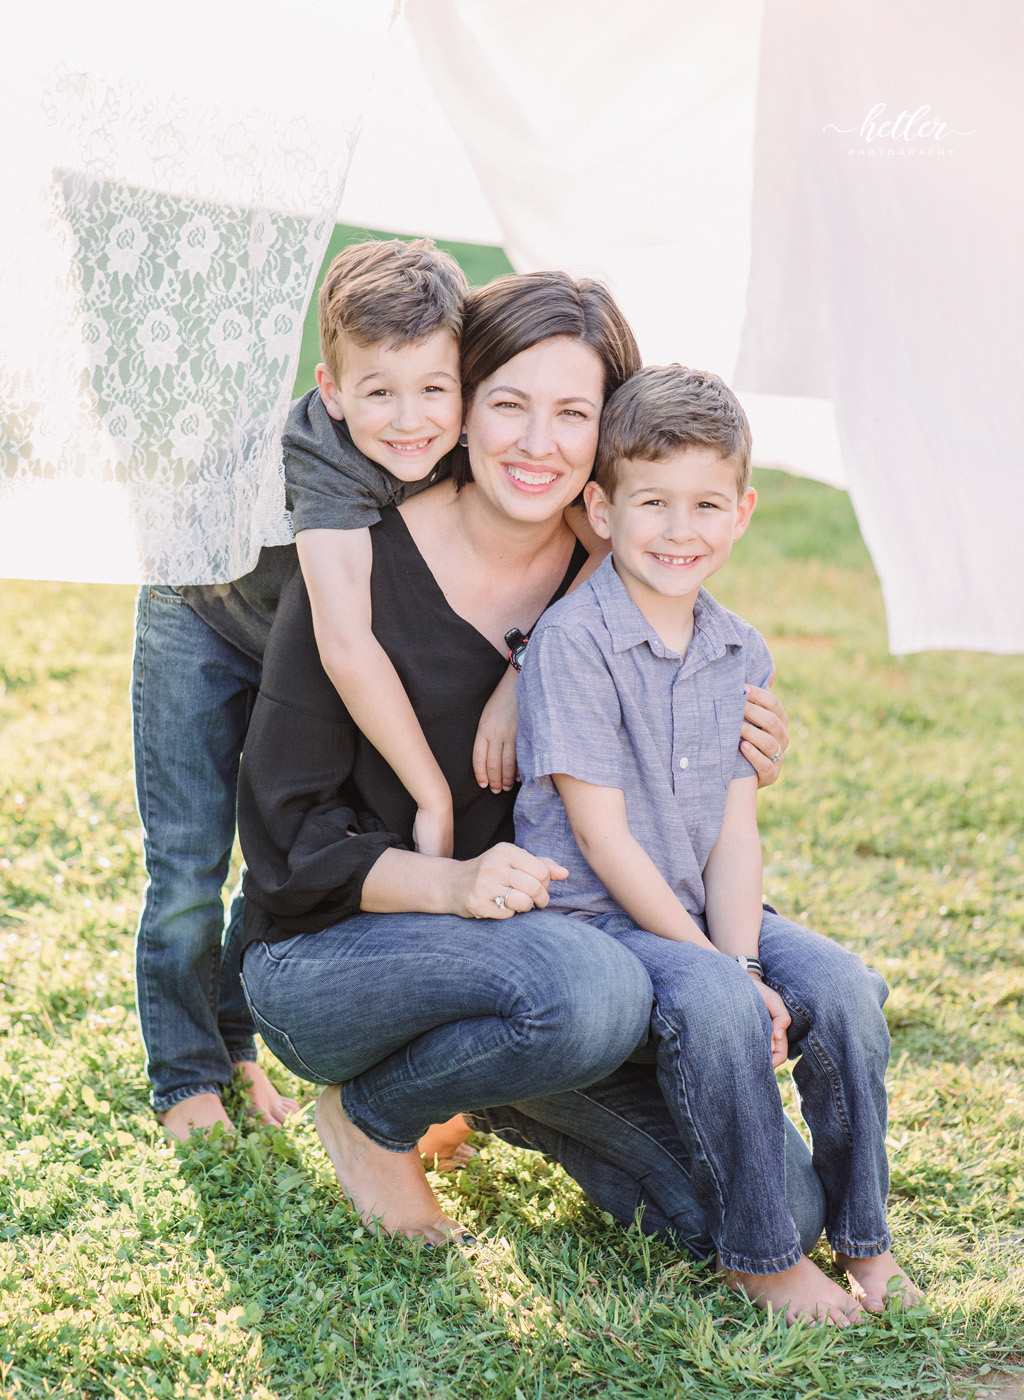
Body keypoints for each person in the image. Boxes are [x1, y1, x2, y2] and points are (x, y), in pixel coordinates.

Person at [234, 273, 803, 1253]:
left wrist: (736, 758)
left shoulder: (616, 578)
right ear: (462, 405)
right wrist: (451, 881)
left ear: (606, 439)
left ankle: (486, 1081)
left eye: (572, 412)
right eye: (508, 403)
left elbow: (634, 794)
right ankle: (371, 1112)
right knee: (593, 991)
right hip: (331, 953)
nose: (537, 443)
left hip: (544, 941)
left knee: (773, 1208)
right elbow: (287, 845)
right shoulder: (358, 564)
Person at [512, 364, 920, 1325]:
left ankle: (866, 1236)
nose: (680, 530)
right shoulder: (575, 642)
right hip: (598, 921)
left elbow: (736, 837)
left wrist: (742, 955)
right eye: (652, 502)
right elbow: (604, 842)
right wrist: (724, 975)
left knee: (844, 988)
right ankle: (762, 1257)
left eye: (704, 504)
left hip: (699, 910)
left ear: (741, 513)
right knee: (715, 1002)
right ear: (602, 509)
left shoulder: (741, 649)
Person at [133, 238, 474, 1146]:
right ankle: (186, 1072)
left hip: (302, 639)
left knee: (275, 845)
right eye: (378, 392)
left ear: (464, 379)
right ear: (330, 388)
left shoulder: (471, 430)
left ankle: (238, 1043)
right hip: (204, 614)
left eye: (434, 388)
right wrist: (433, 792)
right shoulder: (318, 450)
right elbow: (347, 637)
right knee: (187, 865)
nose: (410, 420)